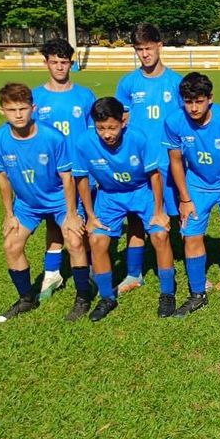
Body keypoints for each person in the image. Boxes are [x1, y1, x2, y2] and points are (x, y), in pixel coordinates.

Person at [0, 83, 91, 323]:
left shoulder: (53, 137)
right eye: (12, 110)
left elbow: (67, 178)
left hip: (60, 202)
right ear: (1, 111)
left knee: (74, 240)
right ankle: (26, 299)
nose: (18, 114)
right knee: (11, 245)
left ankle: (83, 296)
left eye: (23, 108)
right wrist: (9, 214)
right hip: (27, 206)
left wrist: (73, 214)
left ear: (33, 108)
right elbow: (2, 179)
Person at [73, 97, 177, 322]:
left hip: (141, 192)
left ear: (123, 121)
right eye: (101, 128)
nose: (107, 134)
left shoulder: (138, 138)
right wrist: (90, 216)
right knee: (97, 240)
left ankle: (168, 292)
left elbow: (154, 175)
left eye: (112, 127)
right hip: (109, 196)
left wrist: (159, 211)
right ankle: (107, 297)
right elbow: (81, 179)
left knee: (160, 234)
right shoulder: (83, 142)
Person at [164, 72, 220, 318]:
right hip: (196, 185)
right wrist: (185, 199)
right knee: (191, 238)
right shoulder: (174, 121)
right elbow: (176, 161)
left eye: (198, 101)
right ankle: (197, 294)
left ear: (209, 99)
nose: (193, 107)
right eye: (188, 102)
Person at [113, 23, 182, 295]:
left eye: (149, 48)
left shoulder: (175, 82)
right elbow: (123, 121)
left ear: (159, 46)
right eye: (140, 50)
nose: (145, 54)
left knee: (178, 218)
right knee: (136, 219)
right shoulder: (128, 83)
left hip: (170, 162)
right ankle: (133, 274)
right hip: (139, 165)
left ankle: (186, 266)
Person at [31, 38, 96, 300]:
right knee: (53, 223)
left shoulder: (85, 95)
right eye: (54, 62)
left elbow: (95, 135)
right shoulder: (35, 97)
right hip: (51, 175)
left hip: (82, 173)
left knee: (83, 222)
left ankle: (89, 270)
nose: (59, 67)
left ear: (72, 63)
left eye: (64, 62)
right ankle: (52, 273)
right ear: (46, 62)